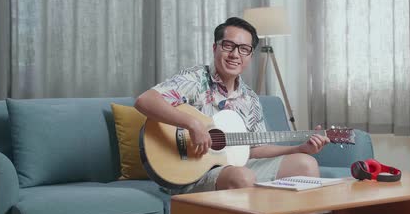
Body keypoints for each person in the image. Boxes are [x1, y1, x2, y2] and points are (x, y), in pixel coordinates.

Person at [135, 17, 330, 193]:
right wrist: (192, 124)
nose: (235, 54)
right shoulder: (195, 79)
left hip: (234, 168)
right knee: (242, 176)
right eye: (228, 46)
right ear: (215, 48)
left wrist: (299, 148)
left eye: (244, 49)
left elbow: (254, 150)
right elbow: (145, 101)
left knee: (306, 164)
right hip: (191, 171)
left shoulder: (250, 99)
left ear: (250, 56)